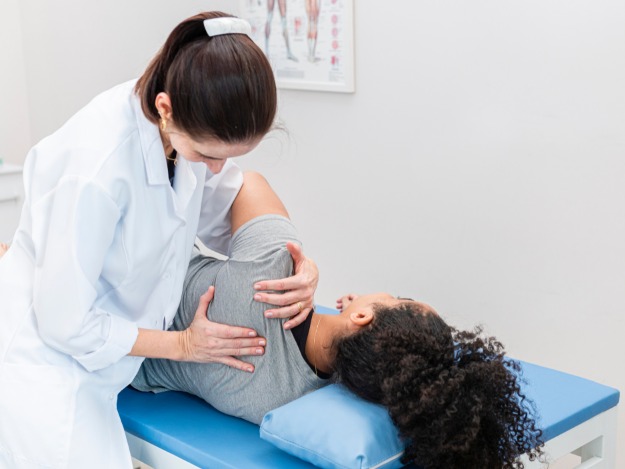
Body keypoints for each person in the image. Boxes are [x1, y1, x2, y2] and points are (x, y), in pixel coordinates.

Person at [0, 12, 318, 469]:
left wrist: (301, 264)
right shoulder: (97, 169)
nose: (213, 169)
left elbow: (231, 196)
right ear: (166, 109)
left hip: (110, 362)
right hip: (47, 368)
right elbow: (62, 325)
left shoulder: (180, 126)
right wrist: (185, 347)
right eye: (207, 154)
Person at [133, 172, 544, 468]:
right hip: (132, 370)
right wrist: (342, 320)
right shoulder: (299, 400)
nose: (388, 292)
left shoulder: (274, 275)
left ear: (364, 316)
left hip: (123, 270)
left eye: (399, 299)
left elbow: (244, 184)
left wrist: (286, 260)